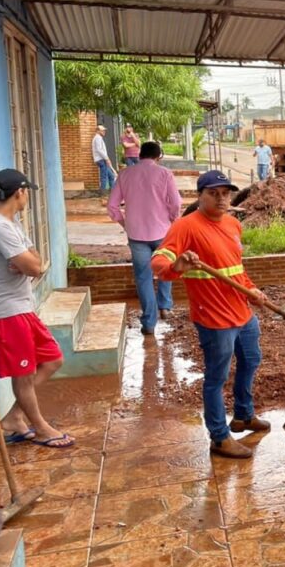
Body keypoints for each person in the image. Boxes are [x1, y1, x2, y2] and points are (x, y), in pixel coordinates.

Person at [151, 170, 269, 459]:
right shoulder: (186, 227)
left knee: (252, 359)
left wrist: (252, 290)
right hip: (214, 318)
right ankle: (219, 436)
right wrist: (178, 265)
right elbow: (158, 263)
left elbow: (235, 269)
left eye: (225, 193)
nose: (221, 199)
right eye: (213, 193)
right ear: (200, 196)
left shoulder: (231, 224)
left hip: (242, 311)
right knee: (216, 378)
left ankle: (243, 414)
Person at [0, 169, 73, 449]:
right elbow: (33, 266)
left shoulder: (11, 224)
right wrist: (29, 264)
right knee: (24, 374)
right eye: (26, 191)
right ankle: (41, 428)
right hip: (5, 312)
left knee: (53, 359)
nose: (27, 196)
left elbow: (37, 262)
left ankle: (14, 419)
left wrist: (30, 264)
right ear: (19, 192)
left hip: (22, 307)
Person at [107, 141, 181, 334]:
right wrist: (173, 220)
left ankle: (149, 322)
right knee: (166, 268)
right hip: (163, 232)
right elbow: (175, 203)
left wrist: (124, 223)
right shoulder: (165, 174)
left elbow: (112, 206)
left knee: (143, 277)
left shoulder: (124, 174)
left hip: (136, 234)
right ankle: (165, 306)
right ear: (158, 156)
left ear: (140, 155)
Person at [92, 124, 117, 194]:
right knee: (104, 177)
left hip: (102, 159)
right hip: (101, 160)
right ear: (97, 131)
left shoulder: (98, 138)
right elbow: (99, 150)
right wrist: (106, 158)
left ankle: (113, 193)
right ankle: (103, 194)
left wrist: (106, 158)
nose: (104, 131)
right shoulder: (97, 138)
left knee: (111, 176)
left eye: (104, 130)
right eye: (102, 130)